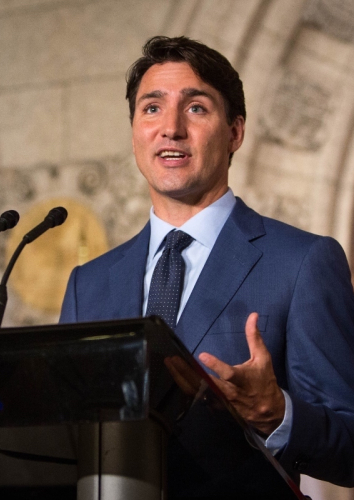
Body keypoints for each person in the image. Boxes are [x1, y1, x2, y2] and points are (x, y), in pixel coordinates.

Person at [60, 36, 354, 491]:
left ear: (235, 131)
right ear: (135, 130)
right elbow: (56, 437)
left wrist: (278, 415)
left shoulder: (302, 263)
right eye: (151, 108)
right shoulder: (89, 283)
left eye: (196, 108)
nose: (171, 128)